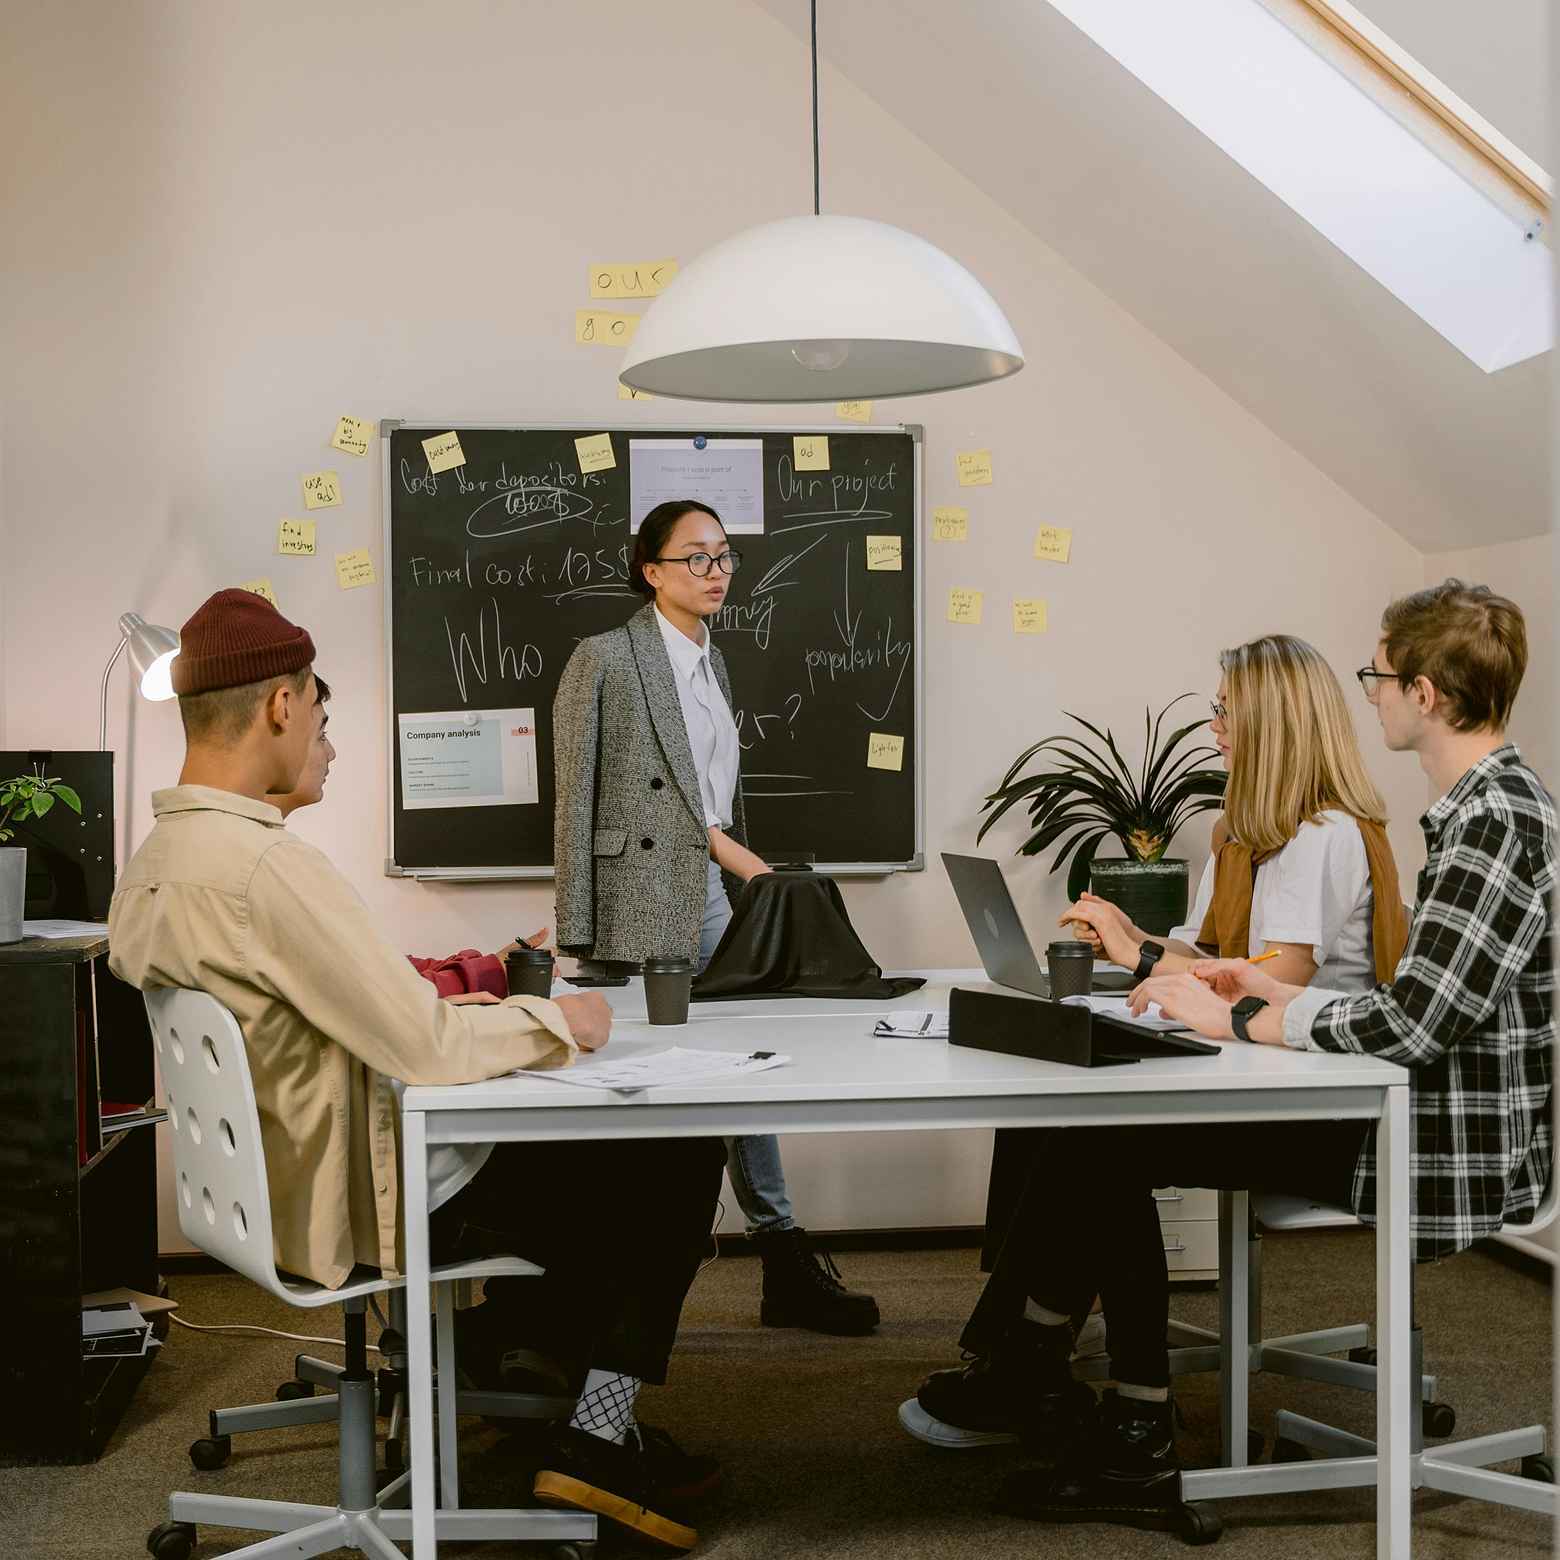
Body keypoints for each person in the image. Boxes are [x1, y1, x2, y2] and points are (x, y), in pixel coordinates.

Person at [929, 582, 1552, 1536]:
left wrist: (1248, 1019)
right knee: (1093, 1132)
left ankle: (1108, 1418)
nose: (1370, 693)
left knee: (1103, 1140)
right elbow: (1399, 1007)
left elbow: (1411, 1029)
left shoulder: (1493, 824)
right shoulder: (1477, 810)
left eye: (1380, 675)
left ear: (1426, 693)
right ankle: (1058, 1380)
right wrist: (1233, 984)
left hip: (1433, 1142)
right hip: (1404, 1105)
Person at [110, 591, 728, 1552]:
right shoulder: (268, 869)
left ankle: (517, 1371)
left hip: (264, 1184)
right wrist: (553, 1018)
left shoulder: (158, 858)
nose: (322, 729)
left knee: (581, 1160)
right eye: (319, 710)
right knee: (672, 1149)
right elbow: (424, 1051)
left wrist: (451, 1015)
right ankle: (596, 1436)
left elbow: (332, 1019)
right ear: (281, 706)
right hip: (353, 1199)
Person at [903, 634, 1409, 1451]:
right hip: (1259, 1073)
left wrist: (1155, 965)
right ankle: (1030, 1355)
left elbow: (1279, 971)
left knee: (1101, 1144)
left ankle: (1111, 1394)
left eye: (1226, 711)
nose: (1216, 728)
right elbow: (1211, 961)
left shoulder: (1324, 833)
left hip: (1327, 1107)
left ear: (1273, 722)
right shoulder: (1246, 835)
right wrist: (1130, 936)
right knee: (1054, 1122)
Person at [553, 498, 879, 1336]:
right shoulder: (605, 658)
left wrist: (747, 875)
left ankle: (777, 1251)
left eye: (725, 557)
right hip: (635, 897)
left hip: (702, 891)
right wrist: (576, 932)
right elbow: (576, 804)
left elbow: (708, 806)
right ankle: (616, 1269)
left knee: (732, 1062)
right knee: (635, 1078)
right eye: (695, 558)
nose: (716, 573)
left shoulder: (713, 663)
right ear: (650, 569)